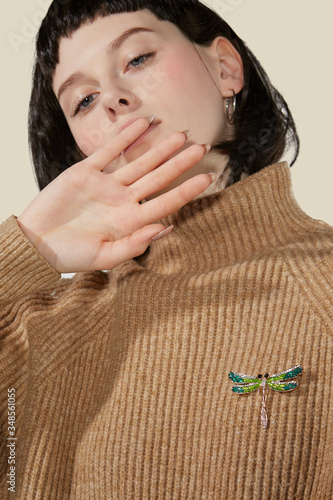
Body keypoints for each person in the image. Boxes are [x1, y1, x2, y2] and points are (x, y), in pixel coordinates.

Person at [1, 0, 332, 498]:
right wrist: (28, 248)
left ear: (224, 68)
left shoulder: (322, 288)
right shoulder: (36, 334)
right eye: (83, 101)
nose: (111, 98)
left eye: (137, 59)